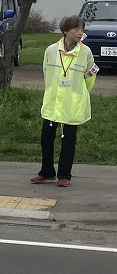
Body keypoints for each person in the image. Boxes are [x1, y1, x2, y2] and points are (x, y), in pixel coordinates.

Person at [31, 15, 98, 188]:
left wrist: (81, 93)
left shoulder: (86, 52)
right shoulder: (51, 50)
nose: (80, 33)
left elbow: (90, 75)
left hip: (72, 102)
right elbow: (47, 72)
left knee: (68, 139)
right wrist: (52, 90)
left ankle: (64, 174)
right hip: (53, 100)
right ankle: (46, 171)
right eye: (76, 29)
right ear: (65, 30)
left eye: (82, 29)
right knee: (46, 137)